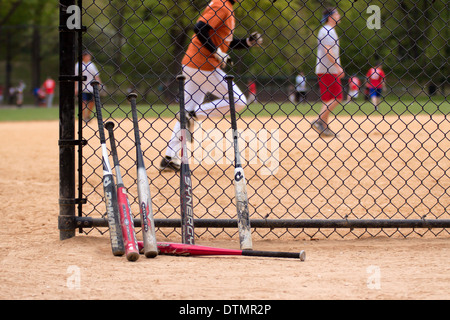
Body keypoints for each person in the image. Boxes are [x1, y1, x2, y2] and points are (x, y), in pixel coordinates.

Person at [160, 0, 263, 172]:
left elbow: (223, 42)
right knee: (238, 100)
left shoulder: (225, 7)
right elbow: (199, 28)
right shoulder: (221, 5)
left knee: (187, 108)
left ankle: (170, 157)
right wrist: (216, 53)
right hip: (203, 66)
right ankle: (193, 115)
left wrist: (248, 42)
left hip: (194, 65)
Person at [311, 7, 344, 138]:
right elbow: (327, 50)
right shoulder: (328, 31)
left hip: (324, 69)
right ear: (331, 17)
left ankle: (324, 127)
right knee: (338, 96)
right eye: (337, 14)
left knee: (328, 99)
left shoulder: (325, 30)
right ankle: (319, 120)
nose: (339, 15)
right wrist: (338, 66)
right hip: (328, 69)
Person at [75, 50, 101, 122]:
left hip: (91, 87)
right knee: (83, 102)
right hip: (82, 87)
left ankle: (88, 115)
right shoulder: (78, 65)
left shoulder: (92, 65)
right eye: (88, 56)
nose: (89, 57)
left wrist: (100, 84)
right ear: (83, 56)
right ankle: (85, 117)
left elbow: (96, 76)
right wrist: (76, 88)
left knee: (92, 102)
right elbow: (76, 77)